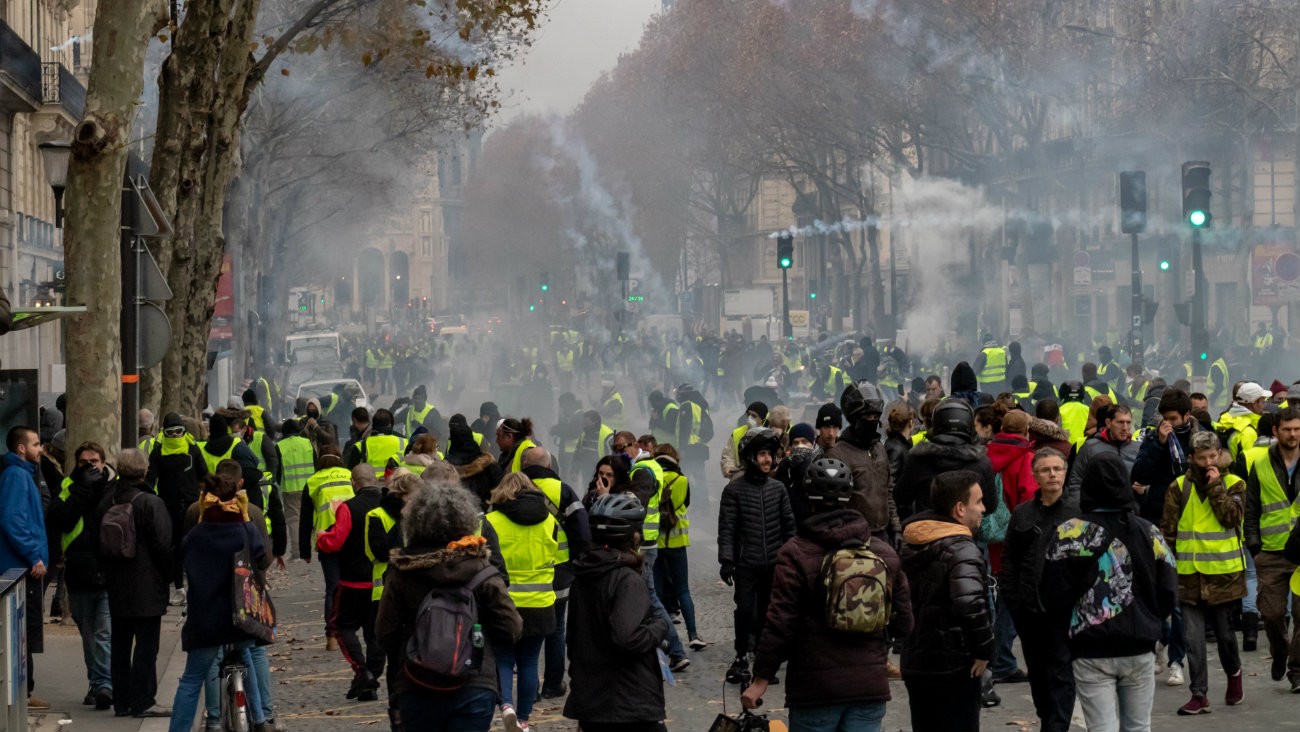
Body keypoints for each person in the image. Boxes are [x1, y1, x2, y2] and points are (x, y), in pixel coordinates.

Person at [742, 457, 913, 731]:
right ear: (851, 497)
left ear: (806, 496)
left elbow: (779, 623)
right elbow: (905, 621)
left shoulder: (795, 553)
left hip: (814, 690)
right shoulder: (881, 551)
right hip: (869, 687)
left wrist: (761, 679)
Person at [1041, 450, 1177, 732]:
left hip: (1090, 647)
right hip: (1140, 644)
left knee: (1101, 727)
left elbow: (1053, 594)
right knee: (1138, 727)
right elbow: (1169, 590)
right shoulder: (1148, 531)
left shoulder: (1070, 533)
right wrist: (1152, 621)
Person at [375, 479, 522, 732]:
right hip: (474, 683)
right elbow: (512, 628)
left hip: (416, 682)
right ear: (464, 519)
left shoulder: (402, 573)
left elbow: (384, 632)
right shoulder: (481, 570)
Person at [166, 462, 268, 732]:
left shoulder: (197, 534)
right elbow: (260, 554)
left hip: (206, 621)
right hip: (240, 618)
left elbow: (182, 554)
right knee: (247, 660)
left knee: (191, 679)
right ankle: (260, 719)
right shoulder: (244, 529)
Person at [563, 493, 668, 732]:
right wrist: (659, 627)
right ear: (634, 536)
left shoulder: (584, 575)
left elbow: (574, 640)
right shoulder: (628, 580)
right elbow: (627, 637)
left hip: (593, 703)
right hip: (627, 703)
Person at [899, 469, 993, 732]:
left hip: (916, 661)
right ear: (960, 508)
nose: (983, 509)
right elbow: (970, 604)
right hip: (954, 664)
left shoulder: (911, 542)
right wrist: (985, 650)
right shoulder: (962, 549)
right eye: (979, 501)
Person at [1161, 430, 1246, 714]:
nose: (1209, 462)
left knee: (1224, 635)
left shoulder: (1234, 483)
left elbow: (1230, 518)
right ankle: (1199, 695)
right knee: (1192, 638)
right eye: (1202, 457)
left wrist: (1216, 486)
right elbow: (1168, 533)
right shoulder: (1178, 487)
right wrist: (1167, 570)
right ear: (1192, 459)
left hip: (1223, 574)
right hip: (1188, 576)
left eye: (1213, 456)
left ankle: (1234, 674)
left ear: (1220, 454)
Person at [1001, 448, 1077, 732]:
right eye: (1045, 470)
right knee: (1039, 676)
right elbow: (1009, 561)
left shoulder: (1077, 511)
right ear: (1035, 476)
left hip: (1065, 612)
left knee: (1061, 675)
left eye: (1057, 469)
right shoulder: (1023, 513)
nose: (1052, 475)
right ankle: (1048, 719)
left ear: (1065, 472)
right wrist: (1014, 602)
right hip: (1029, 611)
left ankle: (1056, 726)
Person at [95, 448, 173, 718]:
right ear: (144, 471)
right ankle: (143, 700)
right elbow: (163, 546)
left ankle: (122, 700)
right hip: (148, 584)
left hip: (117, 584)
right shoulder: (150, 502)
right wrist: (169, 577)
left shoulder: (107, 500)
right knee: (146, 647)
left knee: (120, 644)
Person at [718, 427, 796, 684]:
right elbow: (727, 528)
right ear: (751, 456)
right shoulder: (734, 490)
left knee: (767, 612)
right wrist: (727, 561)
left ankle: (763, 663)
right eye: (762, 454)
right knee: (745, 609)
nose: (767, 460)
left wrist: (791, 558)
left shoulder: (778, 489)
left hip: (773, 563)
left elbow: (789, 528)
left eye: (770, 455)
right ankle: (741, 657)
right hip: (746, 563)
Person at [485, 473, 561, 731]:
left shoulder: (490, 521)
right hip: (540, 602)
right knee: (529, 661)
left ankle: (506, 705)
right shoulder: (549, 520)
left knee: (504, 659)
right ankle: (525, 720)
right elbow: (557, 557)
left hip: (503, 603)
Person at [47, 442, 116, 710]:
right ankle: (97, 681)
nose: (91, 466)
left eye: (95, 461)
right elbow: (60, 520)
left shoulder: (115, 488)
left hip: (108, 573)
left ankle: (104, 685)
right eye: (84, 462)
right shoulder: (68, 488)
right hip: (78, 573)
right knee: (89, 634)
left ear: (103, 461)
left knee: (103, 633)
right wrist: (82, 489)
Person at [520, 446, 592, 698]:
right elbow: (582, 531)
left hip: (520, 576)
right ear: (549, 466)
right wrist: (578, 565)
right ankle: (553, 683)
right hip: (559, 572)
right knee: (556, 629)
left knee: (522, 632)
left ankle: (522, 688)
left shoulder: (511, 489)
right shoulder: (562, 491)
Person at [316, 464, 386, 700]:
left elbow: (335, 542)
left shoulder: (348, 507)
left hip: (352, 581)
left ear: (354, 483)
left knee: (342, 627)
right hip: (380, 583)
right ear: (375, 480)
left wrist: (321, 538)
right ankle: (371, 678)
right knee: (374, 633)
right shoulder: (388, 505)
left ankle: (362, 670)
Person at [1244, 405, 1300, 687]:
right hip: (1271, 551)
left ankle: (1297, 671)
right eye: (1288, 429)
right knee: (1273, 615)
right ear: (1276, 431)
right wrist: (1254, 548)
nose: (1293, 435)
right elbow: (1250, 509)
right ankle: (1280, 652)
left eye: (1297, 429)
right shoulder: (1261, 464)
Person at [1, 426, 49, 708]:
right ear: (21, 448)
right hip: (21, 567)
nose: (40, 448)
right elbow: (14, 520)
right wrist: (34, 556)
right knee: (21, 632)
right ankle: (22, 694)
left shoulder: (19, 475)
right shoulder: (18, 476)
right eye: (36, 444)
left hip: (21, 564)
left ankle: (25, 692)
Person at [895, 399, 999, 520]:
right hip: (965, 534)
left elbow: (901, 498)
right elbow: (990, 506)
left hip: (927, 531)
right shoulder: (981, 462)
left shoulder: (918, 459)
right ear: (969, 426)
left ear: (936, 425)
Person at [827, 383, 901, 543]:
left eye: (876, 417)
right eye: (868, 416)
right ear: (854, 419)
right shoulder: (837, 454)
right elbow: (833, 508)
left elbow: (888, 491)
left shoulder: (879, 448)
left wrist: (896, 527)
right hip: (855, 538)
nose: (872, 421)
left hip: (884, 534)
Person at [652, 444, 706, 650]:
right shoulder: (682, 480)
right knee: (682, 589)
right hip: (677, 541)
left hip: (655, 542)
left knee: (655, 592)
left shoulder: (652, 478)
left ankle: (662, 636)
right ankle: (693, 634)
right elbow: (686, 502)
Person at [303, 449, 356, 650]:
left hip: (328, 540)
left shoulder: (313, 481)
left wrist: (304, 550)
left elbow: (305, 518)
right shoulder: (350, 475)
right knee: (356, 584)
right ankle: (356, 629)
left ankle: (332, 636)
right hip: (352, 537)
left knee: (332, 588)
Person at [1066, 404, 1138, 512]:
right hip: (1096, 513)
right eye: (1120, 422)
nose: (1125, 428)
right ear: (1108, 423)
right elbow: (1076, 482)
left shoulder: (1138, 449)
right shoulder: (1090, 447)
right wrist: (1079, 510)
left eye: (1128, 422)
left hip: (1129, 514)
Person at [774, 422, 822, 524]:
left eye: (804, 441)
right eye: (796, 442)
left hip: (815, 523)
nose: (800, 446)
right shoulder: (785, 466)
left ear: (812, 443)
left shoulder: (822, 463)